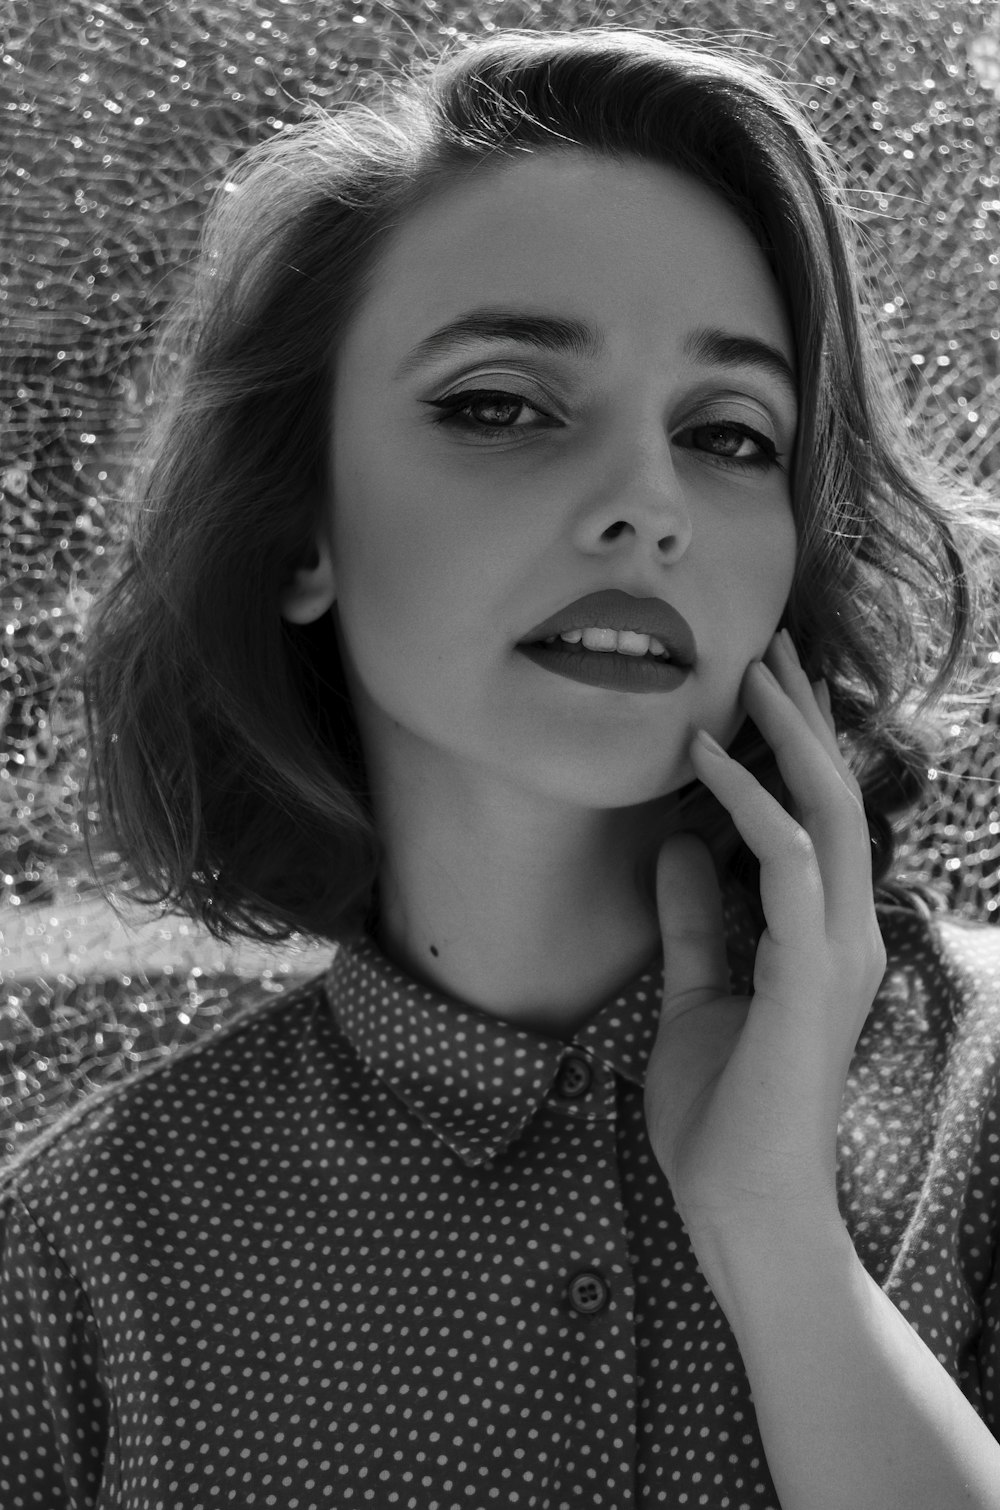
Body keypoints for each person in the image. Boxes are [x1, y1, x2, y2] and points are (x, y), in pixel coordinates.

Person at [2, 25, 999, 1508]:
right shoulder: (76, 1255)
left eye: (730, 435)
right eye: (499, 404)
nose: (646, 504)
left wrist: (782, 1243)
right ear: (301, 532)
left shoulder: (984, 1096)